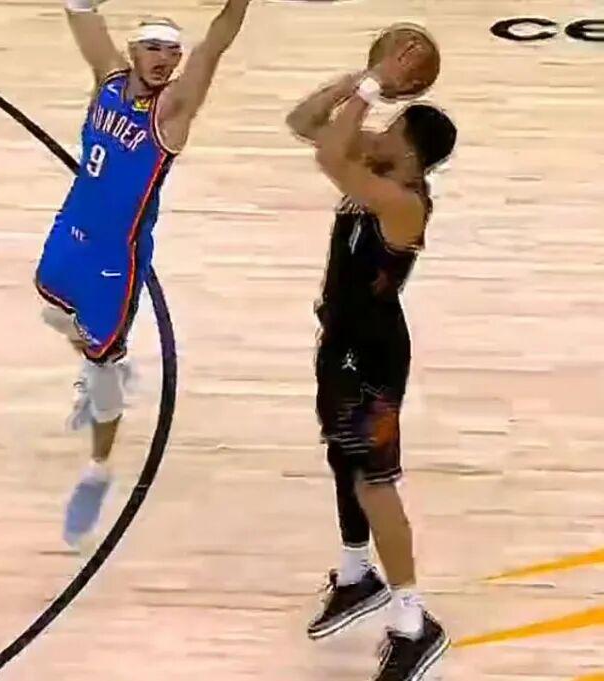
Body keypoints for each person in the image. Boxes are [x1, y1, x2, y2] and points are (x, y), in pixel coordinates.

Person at [35, 0, 253, 549]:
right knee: (52, 309)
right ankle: (103, 360)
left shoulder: (171, 111)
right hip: (71, 229)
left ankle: (98, 469)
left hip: (117, 257)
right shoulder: (108, 80)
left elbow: (215, 45)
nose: (163, 59)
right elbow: (81, 13)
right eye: (153, 48)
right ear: (133, 51)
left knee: (101, 364)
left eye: (171, 52)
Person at [286, 28, 457, 681]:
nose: (378, 128)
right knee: (343, 459)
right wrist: (359, 78)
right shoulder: (381, 171)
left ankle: (414, 622)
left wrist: (372, 85)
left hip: (374, 354)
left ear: (409, 151)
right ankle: (358, 576)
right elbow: (304, 122)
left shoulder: (401, 201)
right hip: (342, 341)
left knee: (375, 481)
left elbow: (329, 153)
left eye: (392, 126)